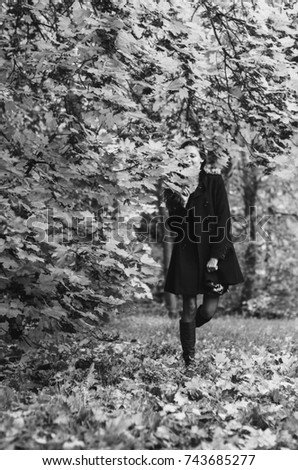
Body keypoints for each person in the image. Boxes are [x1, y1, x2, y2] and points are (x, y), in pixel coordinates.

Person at [164, 141, 244, 372]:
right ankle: (189, 359)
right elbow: (174, 224)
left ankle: (186, 329)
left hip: (214, 250)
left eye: (192, 155)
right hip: (187, 251)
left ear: (201, 159)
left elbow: (223, 219)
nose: (187, 159)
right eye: (183, 156)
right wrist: (182, 201)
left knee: (208, 311)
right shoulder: (173, 186)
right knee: (188, 306)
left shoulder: (214, 182)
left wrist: (216, 256)